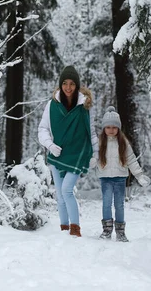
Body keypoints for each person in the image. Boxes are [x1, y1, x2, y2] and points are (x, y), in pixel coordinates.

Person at [38, 66, 98, 237]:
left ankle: (75, 230)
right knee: (60, 195)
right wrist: (50, 145)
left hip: (78, 154)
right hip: (57, 153)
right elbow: (42, 129)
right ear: (60, 84)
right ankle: (64, 229)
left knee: (66, 190)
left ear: (77, 85)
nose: (68, 87)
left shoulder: (85, 106)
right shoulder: (52, 105)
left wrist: (95, 153)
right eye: (65, 83)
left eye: (72, 83)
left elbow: (91, 131)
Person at [91, 106, 151, 242]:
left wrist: (139, 176)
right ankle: (107, 230)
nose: (111, 130)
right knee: (106, 203)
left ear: (118, 128)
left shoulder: (123, 142)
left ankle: (120, 232)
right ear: (104, 128)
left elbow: (131, 159)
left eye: (114, 127)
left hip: (120, 178)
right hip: (105, 178)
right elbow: (93, 157)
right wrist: (90, 161)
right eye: (108, 127)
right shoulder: (99, 142)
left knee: (119, 204)